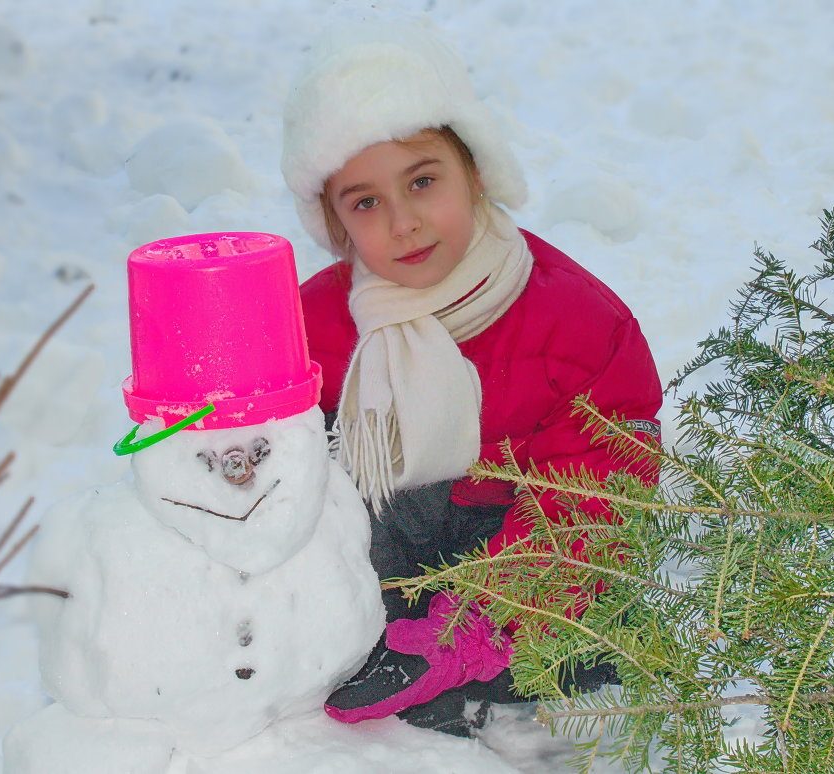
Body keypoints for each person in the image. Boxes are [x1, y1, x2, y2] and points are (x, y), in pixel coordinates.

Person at [280, 18, 662, 737]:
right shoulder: (312, 324)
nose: (404, 223)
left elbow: (597, 495)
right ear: (335, 225)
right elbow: (258, 447)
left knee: (587, 645)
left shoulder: (579, 326)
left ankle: (508, 699)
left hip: (525, 550)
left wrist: (479, 624)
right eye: (365, 203)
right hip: (395, 543)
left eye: (423, 181)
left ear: (477, 172)